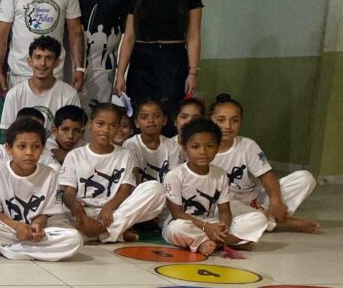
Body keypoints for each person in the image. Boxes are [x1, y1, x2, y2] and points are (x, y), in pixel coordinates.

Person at [0, 118, 83, 260]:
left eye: (36, 146)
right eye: (22, 146)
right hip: (8, 227)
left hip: (36, 231)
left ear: (43, 149)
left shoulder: (49, 174)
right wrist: (18, 227)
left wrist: (36, 227)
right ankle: (27, 249)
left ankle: (0, 249)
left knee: (75, 239)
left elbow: (44, 213)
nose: (29, 152)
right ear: (9, 149)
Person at [115, 0, 203, 131]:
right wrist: (120, 74)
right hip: (142, 60)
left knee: (169, 113)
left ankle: (169, 160)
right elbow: (128, 37)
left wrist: (192, 72)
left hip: (174, 59)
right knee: (140, 114)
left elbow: (194, 35)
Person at [56, 103, 165, 243]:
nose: (105, 130)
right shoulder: (75, 155)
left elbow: (125, 189)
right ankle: (114, 233)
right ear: (90, 124)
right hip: (83, 213)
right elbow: (69, 193)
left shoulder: (126, 155)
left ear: (119, 128)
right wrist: (76, 208)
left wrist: (108, 207)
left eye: (113, 126)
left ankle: (101, 231)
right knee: (61, 232)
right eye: (100, 124)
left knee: (155, 189)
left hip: (113, 213)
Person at [210, 94, 319, 234]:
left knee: (305, 178)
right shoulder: (204, 147)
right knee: (218, 206)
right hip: (229, 205)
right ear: (210, 121)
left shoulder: (247, 145)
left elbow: (267, 176)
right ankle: (279, 223)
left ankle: (266, 217)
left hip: (257, 200)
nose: (227, 126)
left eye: (234, 120)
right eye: (221, 120)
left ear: (241, 122)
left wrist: (276, 201)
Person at [163, 118, 267, 254]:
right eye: (195, 147)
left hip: (211, 222)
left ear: (217, 147)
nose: (203, 152)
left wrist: (222, 228)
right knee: (177, 228)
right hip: (186, 224)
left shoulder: (220, 174)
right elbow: (177, 214)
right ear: (185, 148)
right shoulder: (175, 175)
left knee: (259, 219)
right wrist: (207, 228)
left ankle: (217, 241)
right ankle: (210, 243)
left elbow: (224, 212)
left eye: (210, 146)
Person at [0, 36, 81, 131]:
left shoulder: (69, 95)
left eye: (49, 58)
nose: (42, 63)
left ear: (57, 63)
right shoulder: (14, 94)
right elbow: (7, 132)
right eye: (38, 57)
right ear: (30, 61)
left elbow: (74, 131)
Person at [124, 99, 183, 183]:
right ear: (136, 122)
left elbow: (175, 177)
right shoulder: (131, 144)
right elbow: (132, 179)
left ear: (164, 120)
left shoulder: (172, 145)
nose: (151, 120)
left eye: (156, 116)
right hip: (139, 192)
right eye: (144, 117)